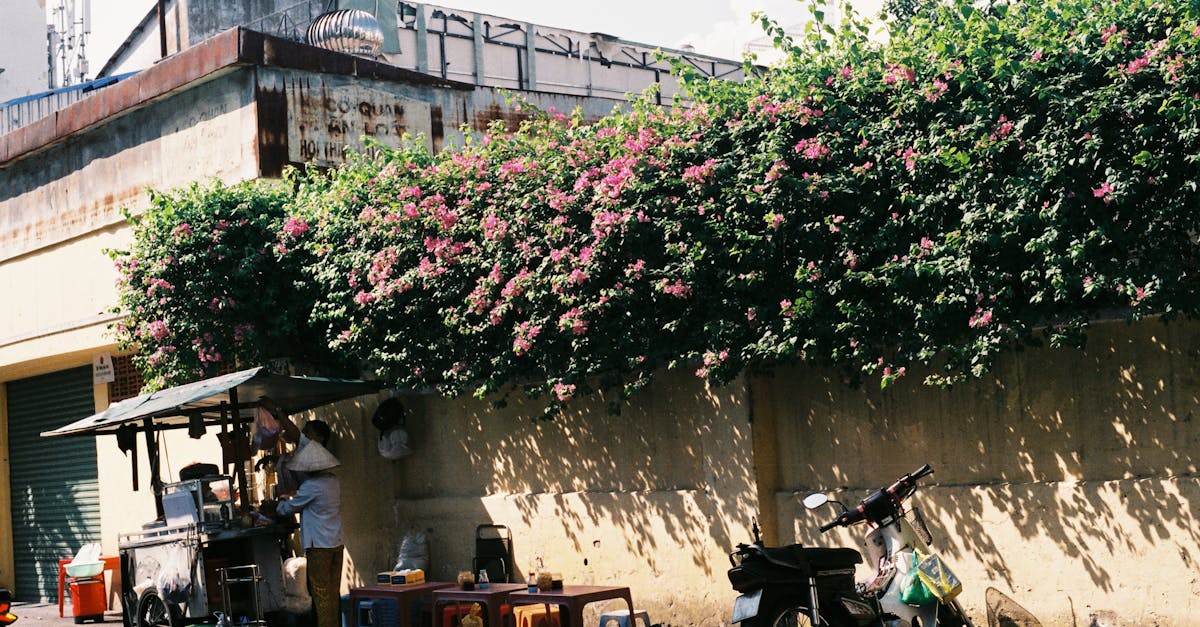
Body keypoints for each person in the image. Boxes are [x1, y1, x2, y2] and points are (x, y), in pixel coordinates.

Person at [261, 423, 343, 627]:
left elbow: (287, 509)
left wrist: (278, 504)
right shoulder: (332, 481)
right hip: (336, 541)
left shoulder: (311, 486)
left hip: (319, 546)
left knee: (321, 594)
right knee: (332, 592)